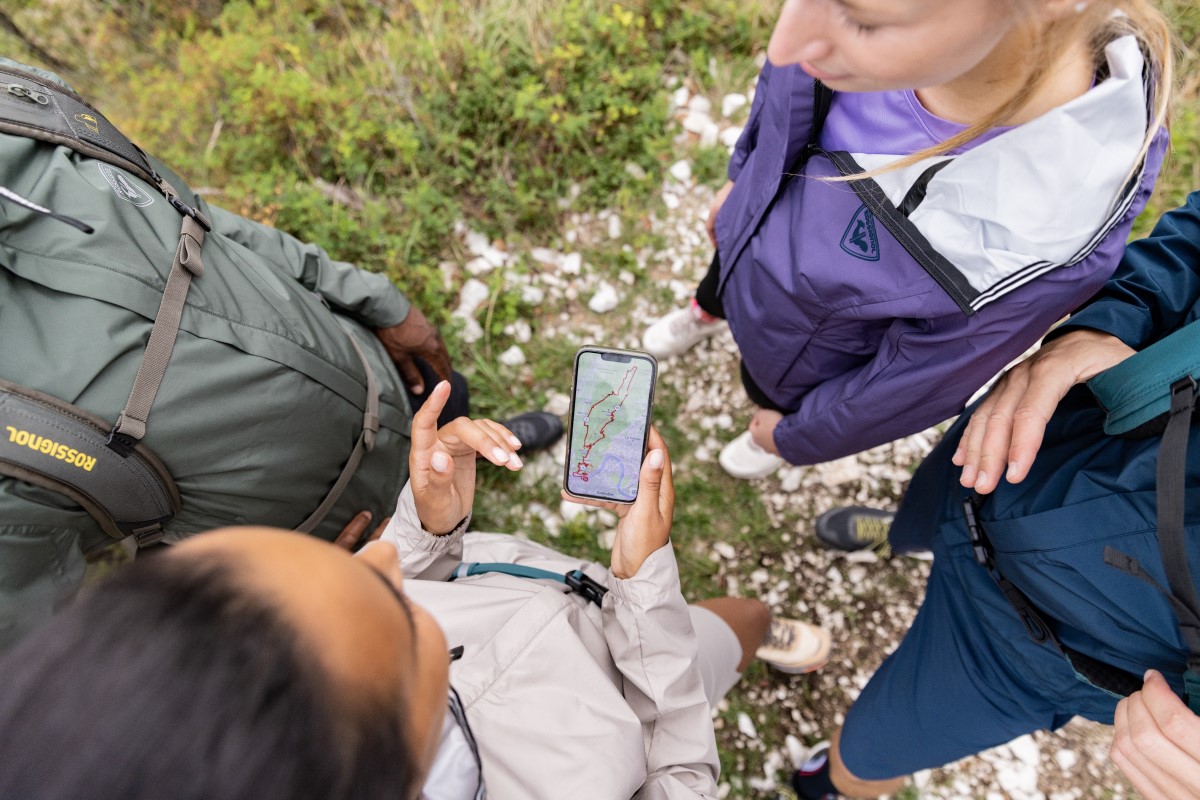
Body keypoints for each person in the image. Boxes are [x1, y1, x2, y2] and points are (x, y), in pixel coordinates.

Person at [0, 381, 831, 799]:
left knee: (739, 619)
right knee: (739, 623)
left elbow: (395, 575)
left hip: (567, 596)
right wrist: (642, 590)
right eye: (395, 617)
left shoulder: (339, 688)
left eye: (344, 561)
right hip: (648, 668)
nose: (389, 565)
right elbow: (682, 770)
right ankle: (761, 641)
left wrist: (430, 528)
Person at [0, 56, 560, 650]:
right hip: (324, 539)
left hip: (379, 370)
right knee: (436, 608)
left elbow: (194, 219)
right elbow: (61, 675)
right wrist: (268, 601)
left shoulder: (15, 112)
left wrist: (374, 300)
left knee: (452, 420)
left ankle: (481, 453)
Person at [641, 0, 1172, 481]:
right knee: (720, 280)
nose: (784, 43)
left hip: (797, 356)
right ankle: (707, 311)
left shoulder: (1043, 237)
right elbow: (778, 111)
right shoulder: (832, 40)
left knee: (763, 388)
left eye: (861, 18)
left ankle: (763, 428)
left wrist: (791, 437)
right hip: (746, 235)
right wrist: (741, 178)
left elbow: (907, 388)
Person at [789, 192, 1200, 799]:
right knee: (922, 515)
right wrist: (1110, 320)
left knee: (866, 754)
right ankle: (904, 538)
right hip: (1031, 447)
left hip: (1050, 650)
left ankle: (827, 786)